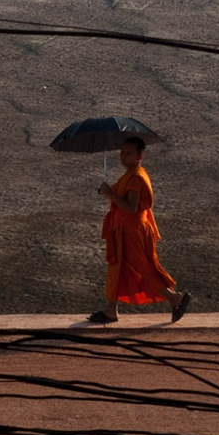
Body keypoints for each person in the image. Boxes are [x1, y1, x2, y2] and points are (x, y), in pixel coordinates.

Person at [88, 136, 190, 323]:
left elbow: (131, 207)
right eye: (122, 153)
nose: (123, 157)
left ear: (139, 155)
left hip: (132, 230)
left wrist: (110, 194)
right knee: (116, 267)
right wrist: (109, 192)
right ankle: (110, 310)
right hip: (122, 230)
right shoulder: (130, 175)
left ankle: (175, 298)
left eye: (128, 153)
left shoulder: (136, 178)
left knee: (143, 268)